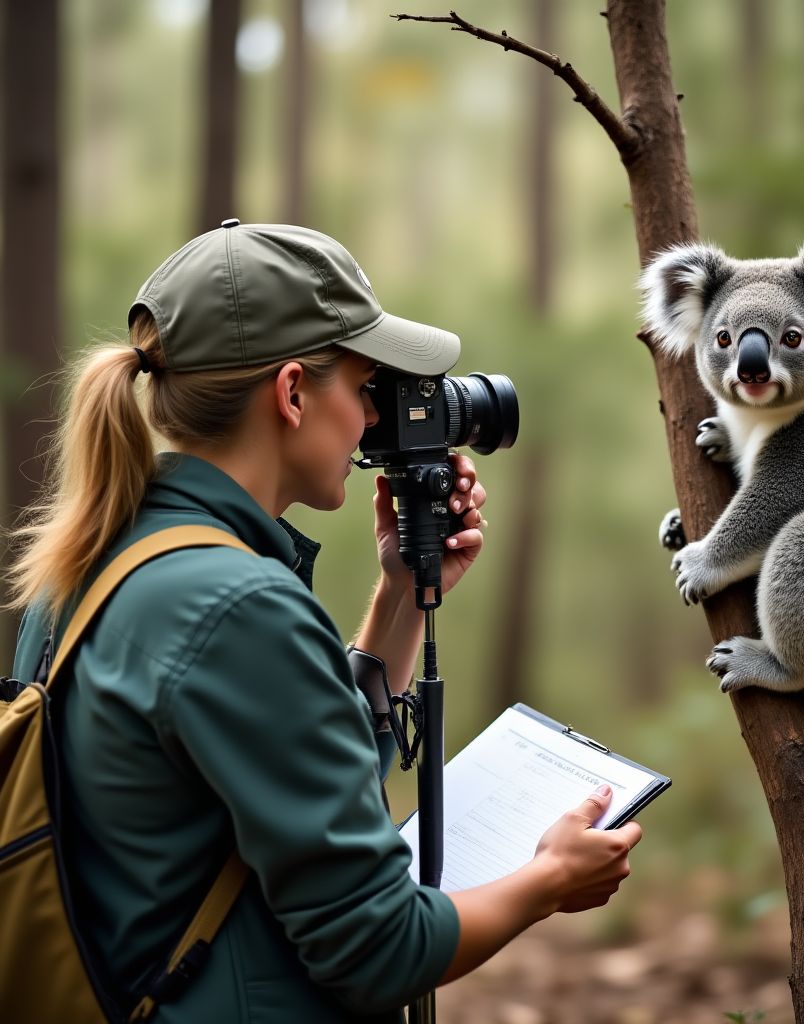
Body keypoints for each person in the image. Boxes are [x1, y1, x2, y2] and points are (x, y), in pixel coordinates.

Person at [6, 221, 642, 1023]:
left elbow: (279, 783)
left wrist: (404, 592)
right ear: (294, 392)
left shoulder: (97, 562)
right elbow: (381, 952)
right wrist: (549, 879)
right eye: (366, 387)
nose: (375, 420)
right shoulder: (238, 605)